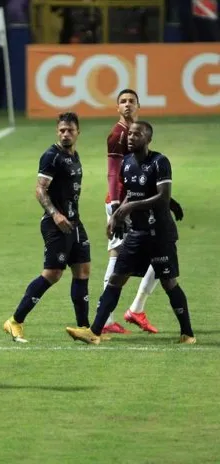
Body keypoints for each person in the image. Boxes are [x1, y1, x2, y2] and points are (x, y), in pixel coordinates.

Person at [67, 122, 196, 345]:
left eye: (137, 134)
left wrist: (129, 208)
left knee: (169, 282)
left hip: (159, 234)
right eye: (130, 133)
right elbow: (132, 194)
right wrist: (117, 215)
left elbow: (163, 197)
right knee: (116, 279)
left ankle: (188, 334)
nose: (131, 137)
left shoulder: (159, 162)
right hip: (137, 233)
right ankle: (94, 332)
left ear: (148, 139)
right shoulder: (126, 163)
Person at [101, 89, 184, 334]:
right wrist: (117, 208)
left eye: (131, 102)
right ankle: (108, 319)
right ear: (117, 107)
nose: (127, 105)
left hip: (136, 201)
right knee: (118, 256)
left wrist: (169, 201)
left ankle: (134, 309)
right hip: (122, 204)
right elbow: (114, 173)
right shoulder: (118, 134)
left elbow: (144, 177)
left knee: (159, 249)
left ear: (138, 106)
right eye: (123, 102)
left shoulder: (136, 132)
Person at [3, 112, 90, 343]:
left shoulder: (74, 155)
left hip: (75, 222)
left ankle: (84, 328)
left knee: (82, 271)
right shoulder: (51, 156)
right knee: (53, 274)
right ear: (57, 132)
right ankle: (14, 321)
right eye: (61, 130)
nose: (65, 134)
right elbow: (40, 189)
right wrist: (55, 214)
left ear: (78, 132)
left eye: (70, 130)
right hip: (56, 224)